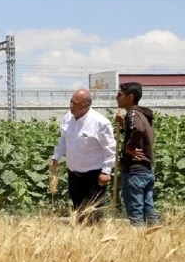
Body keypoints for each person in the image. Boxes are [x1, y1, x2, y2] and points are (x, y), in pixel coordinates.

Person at [48, 88, 116, 223]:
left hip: (94, 176)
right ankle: (81, 239)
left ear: (86, 105)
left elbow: (110, 149)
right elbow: (63, 140)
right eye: (71, 102)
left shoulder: (100, 122)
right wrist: (56, 157)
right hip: (73, 173)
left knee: (93, 212)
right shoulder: (68, 117)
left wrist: (106, 171)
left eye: (75, 103)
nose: (71, 105)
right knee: (78, 209)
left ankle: (94, 237)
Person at [116, 81, 159, 226]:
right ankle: (156, 239)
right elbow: (138, 131)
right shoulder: (142, 114)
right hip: (145, 170)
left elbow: (138, 130)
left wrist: (129, 148)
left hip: (134, 171)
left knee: (135, 212)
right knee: (149, 209)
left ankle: (137, 243)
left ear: (130, 97)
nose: (116, 97)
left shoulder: (133, 114)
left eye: (120, 95)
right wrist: (123, 127)